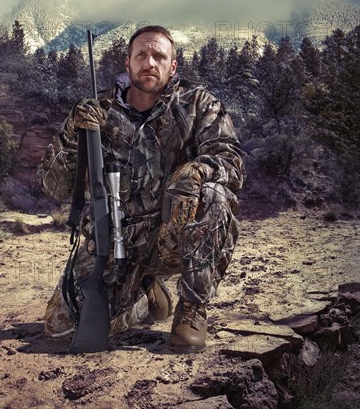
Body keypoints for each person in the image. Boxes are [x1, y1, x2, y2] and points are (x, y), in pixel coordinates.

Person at [37, 25, 245, 352]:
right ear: (128, 62)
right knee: (60, 331)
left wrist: (196, 171)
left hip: (172, 234)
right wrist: (70, 133)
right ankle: (145, 295)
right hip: (114, 240)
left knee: (214, 194)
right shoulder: (97, 110)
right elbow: (54, 187)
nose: (150, 62)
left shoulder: (198, 103)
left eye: (159, 56)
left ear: (172, 66)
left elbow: (231, 160)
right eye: (141, 55)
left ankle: (191, 309)